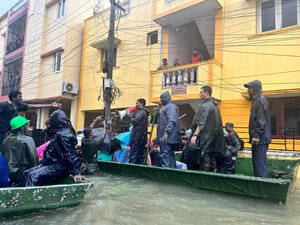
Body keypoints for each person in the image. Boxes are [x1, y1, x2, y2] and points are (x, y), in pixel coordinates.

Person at [20, 110, 85, 186]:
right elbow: (53, 134)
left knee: (32, 176)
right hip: (52, 163)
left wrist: (76, 172)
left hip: (60, 167)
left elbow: (70, 154)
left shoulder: (63, 135)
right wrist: (48, 126)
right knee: (26, 173)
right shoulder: (62, 131)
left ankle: (26, 196)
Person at [188, 85, 225, 172]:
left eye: (201, 92)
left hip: (206, 137)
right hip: (214, 138)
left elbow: (201, 122)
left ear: (206, 93)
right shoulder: (215, 106)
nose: (199, 94)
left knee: (205, 158)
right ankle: (212, 177)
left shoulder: (206, 106)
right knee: (211, 159)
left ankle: (204, 177)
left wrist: (195, 135)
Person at [0, 116, 39, 186]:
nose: (27, 127)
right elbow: (34, 159)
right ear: (22, 127)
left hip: (6, 177)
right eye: (26, 125)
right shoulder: (28, 140)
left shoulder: (5, 141)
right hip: (22, 176)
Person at [244, 80, 271, 178]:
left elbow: (261, 119)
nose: (248, 90)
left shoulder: (261, 100)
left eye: (250, 88)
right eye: (247, 88)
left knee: (260, 164)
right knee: (257, 162)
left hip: (260, 138)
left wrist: (256, 135)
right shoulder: (256, 101)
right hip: (258, 138)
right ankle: (260, 183)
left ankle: (262, 185)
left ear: (256, 88)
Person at [156, 91, 180, 168]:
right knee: (169, 157)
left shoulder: (170, 107)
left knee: (165, 156)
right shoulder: (167, 107)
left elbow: (172, 120)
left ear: (165, 98)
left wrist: (166, 133)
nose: (160, 101)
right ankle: (172, 174)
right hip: (167, 137)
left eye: (161, 99)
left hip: (166, 138)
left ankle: (166, 175)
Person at [126, 98, 148, 164]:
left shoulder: (141, 112)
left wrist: (129, 114)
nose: (136, 105)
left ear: (141, 104)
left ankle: (131, 169)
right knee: (140, 155)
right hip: (140, 137)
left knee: (133, 154)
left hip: (137, 137)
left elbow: (134, 121)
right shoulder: (144, 112)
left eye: (137, 103)